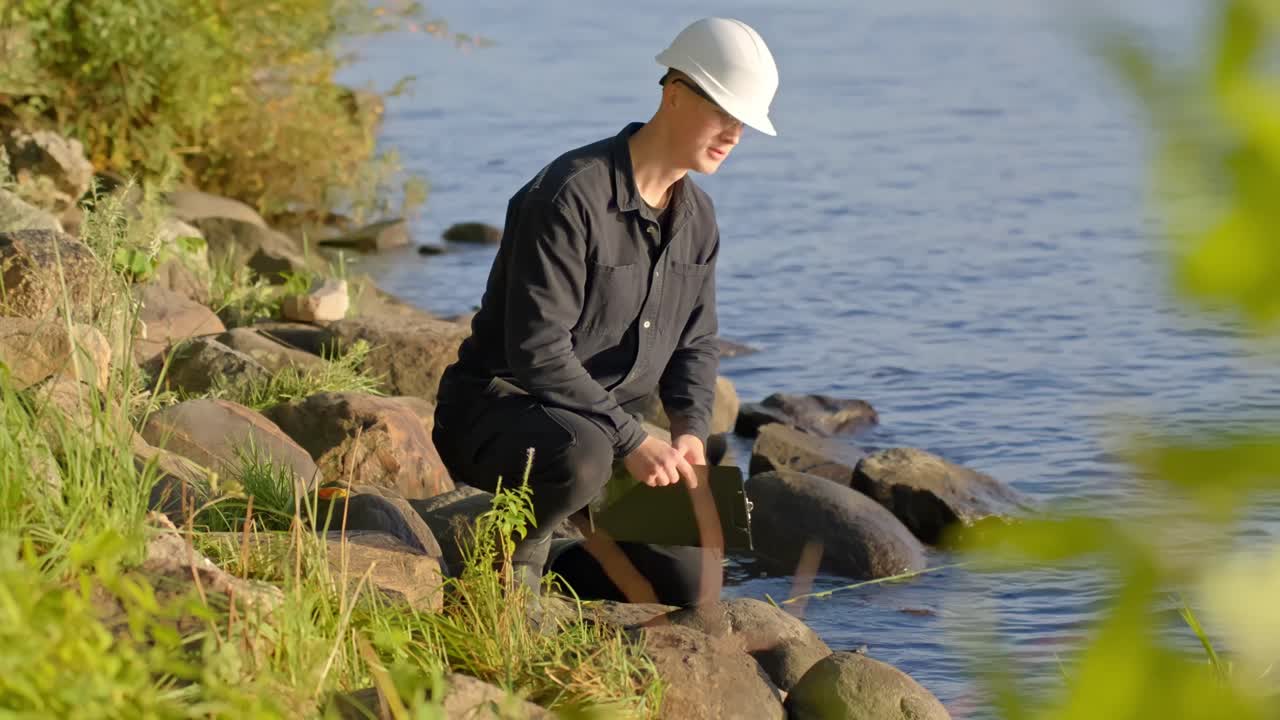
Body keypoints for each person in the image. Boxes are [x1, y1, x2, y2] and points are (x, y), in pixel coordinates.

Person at [432, 17, 780, 607]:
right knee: (583, 452)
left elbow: (697, 344)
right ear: (674, 93)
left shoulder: (698, 220)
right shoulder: (569, 196)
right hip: (502, 415)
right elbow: (539, 353)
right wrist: (631, 440)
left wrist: (690, 431)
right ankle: (502, 581)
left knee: (694, 586)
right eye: (724, 110)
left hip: (604, 431)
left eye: (743, 120)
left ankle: (569, 563)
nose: (734, 133)